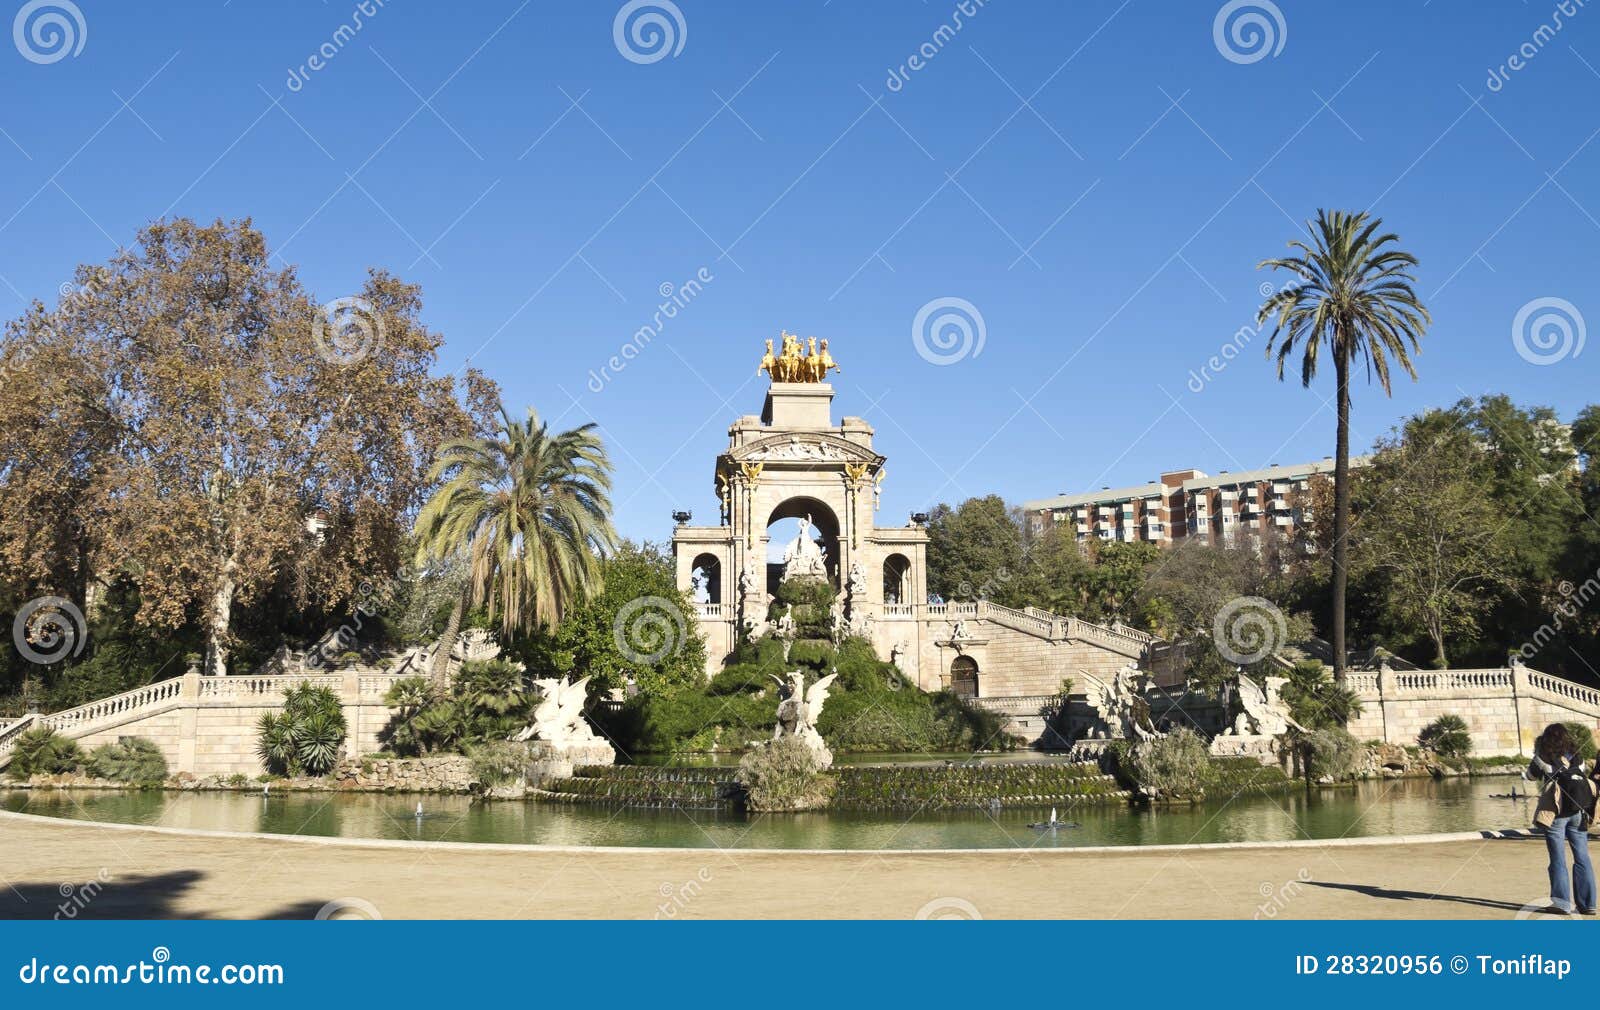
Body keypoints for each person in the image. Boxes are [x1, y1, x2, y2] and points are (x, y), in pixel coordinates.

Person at [1527, 723, 1597, 915]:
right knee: (1582, 857)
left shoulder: (1543, 756)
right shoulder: (1577, 757)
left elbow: (1530, 776)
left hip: (1555, 813)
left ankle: (1562, 904)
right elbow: (1582, 775)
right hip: (1577, 811)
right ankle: (1588, 904)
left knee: (1557, 859)